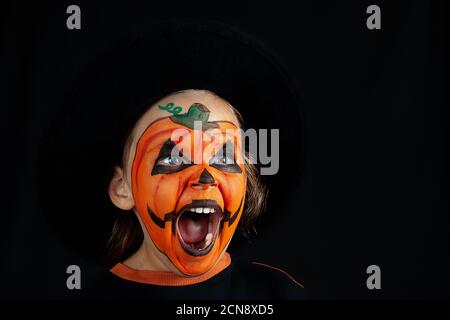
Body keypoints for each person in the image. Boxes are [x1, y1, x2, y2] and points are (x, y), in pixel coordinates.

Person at [93, 89, 305, 299]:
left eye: (224, 159)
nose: (206, 177)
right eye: (174, 159)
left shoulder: (277, 294)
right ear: (122, 189)